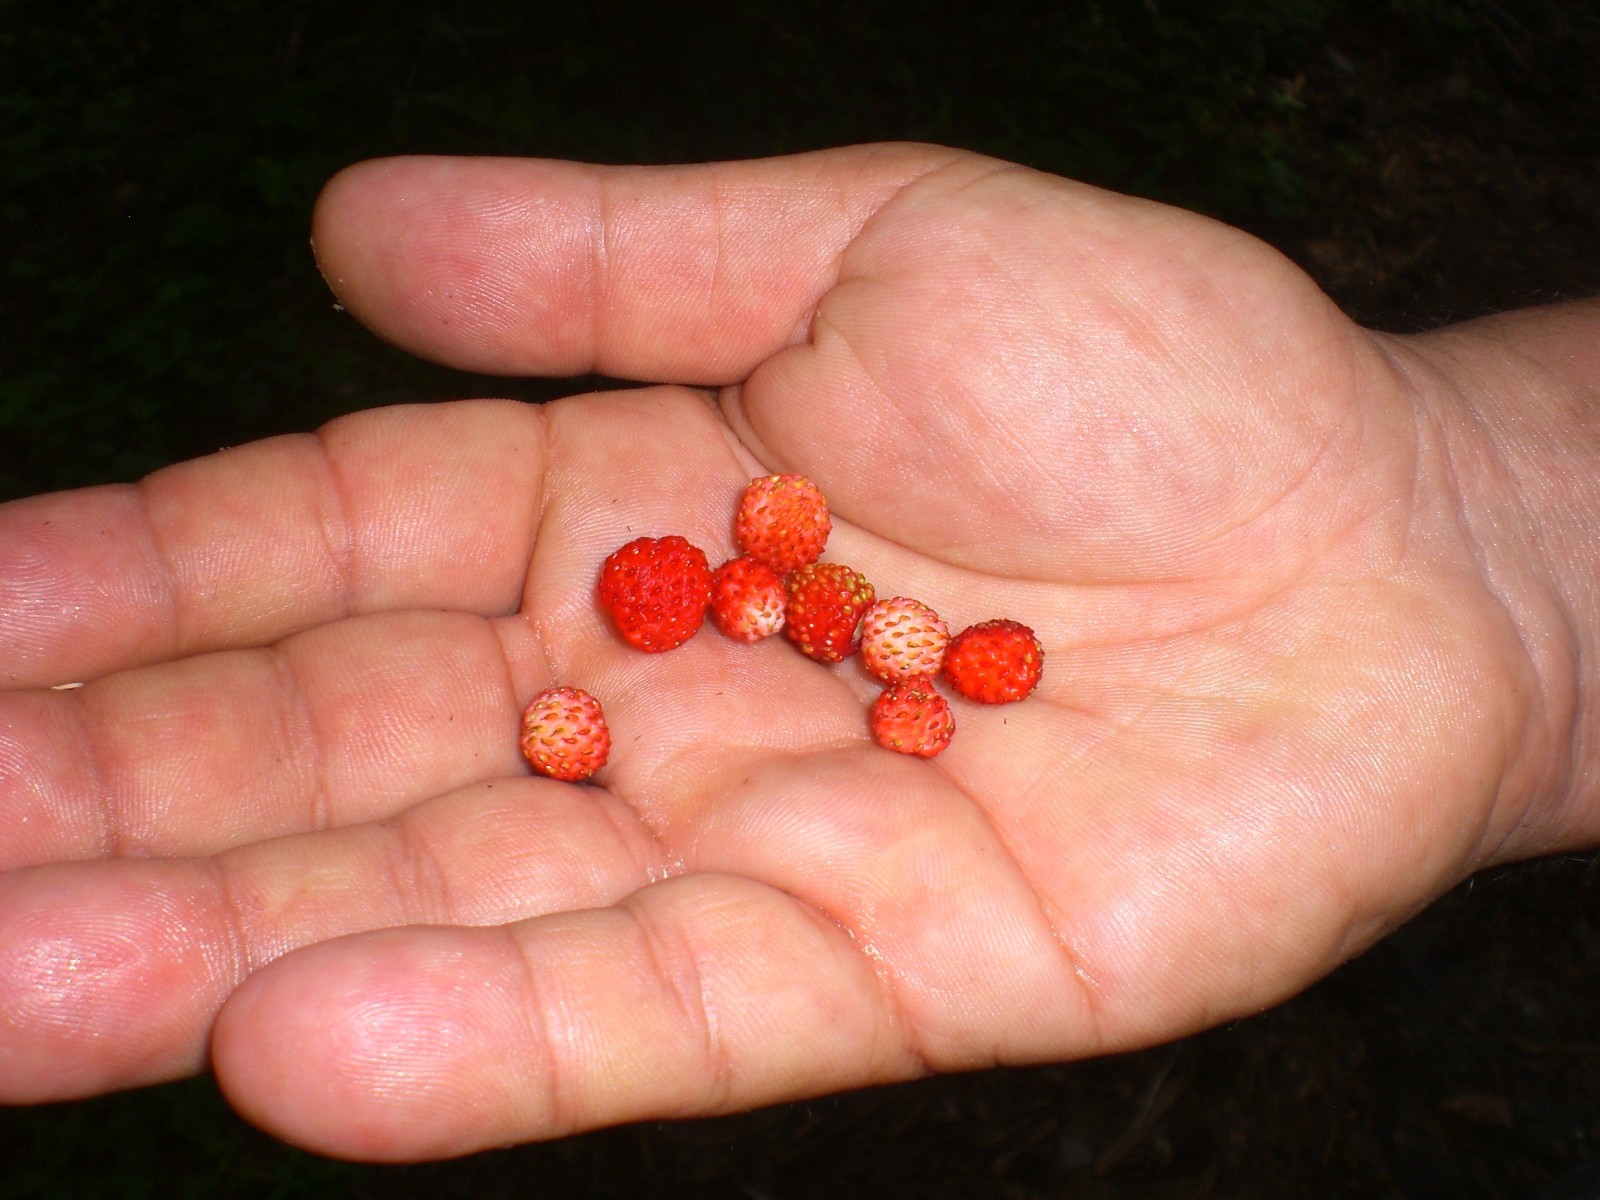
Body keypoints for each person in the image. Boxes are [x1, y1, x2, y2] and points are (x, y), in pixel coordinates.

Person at [0, 143, 1595, 1163]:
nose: (750, 602)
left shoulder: (839, 602)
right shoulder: (758, 580)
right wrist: (1495, 516)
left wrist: (1480, 528)